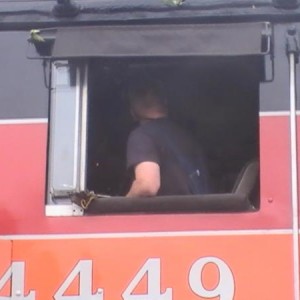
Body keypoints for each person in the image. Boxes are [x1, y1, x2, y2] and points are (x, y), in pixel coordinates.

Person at [125, 77, 210, 197]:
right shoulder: (187, 137)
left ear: (132, 111)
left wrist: (118, 208)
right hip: (203, 214)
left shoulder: (142, 136)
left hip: (171, 215)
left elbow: (147, 186)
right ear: (165, 102)